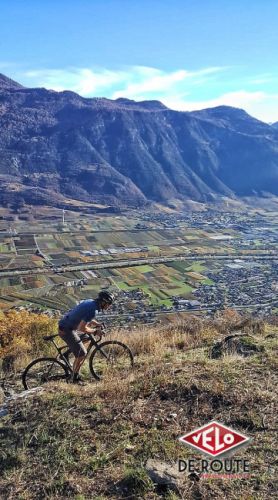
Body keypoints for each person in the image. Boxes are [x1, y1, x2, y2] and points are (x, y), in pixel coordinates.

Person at [58, 290, 115, 383]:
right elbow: (81, 327)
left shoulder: (90, 302)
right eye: (109, 304)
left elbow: (85, 316)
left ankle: (66, 354)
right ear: (103, 302)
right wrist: (95, 332)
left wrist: (97, 324)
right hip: (66, 330)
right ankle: (74, 379)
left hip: (67, 325)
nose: (109, 306)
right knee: (82, 354)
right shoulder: (93, 310)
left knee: (85, 337)